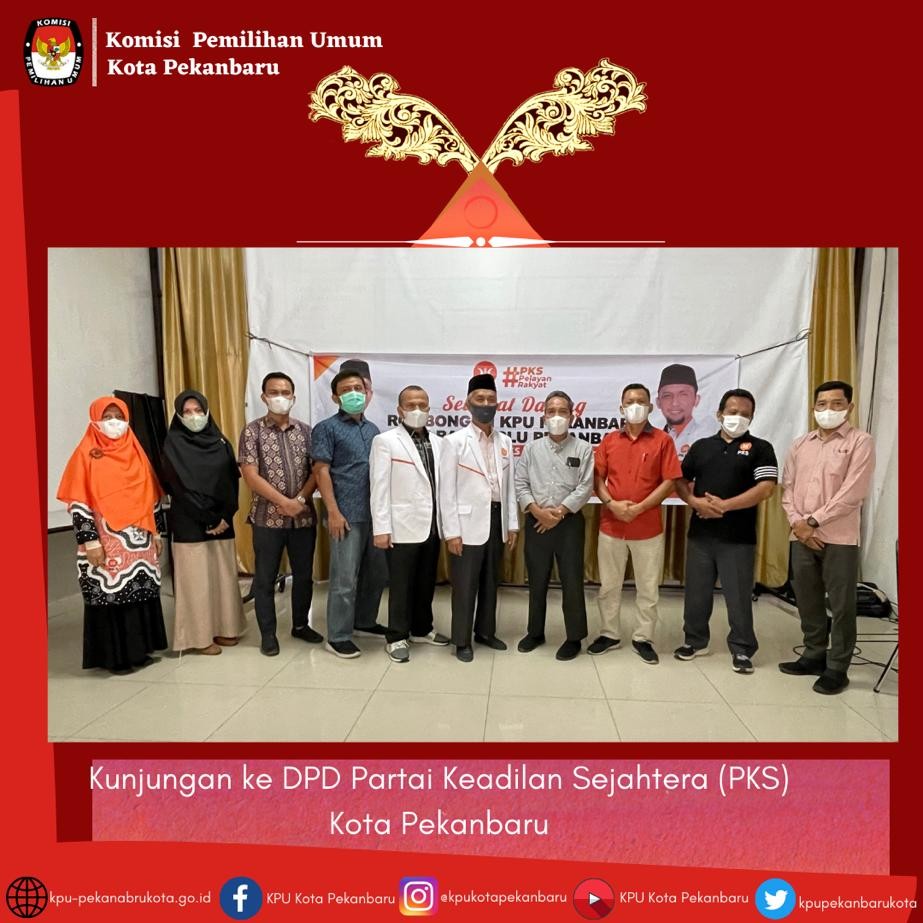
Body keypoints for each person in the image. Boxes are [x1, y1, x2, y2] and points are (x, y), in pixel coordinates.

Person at [56, 396, 168, 674]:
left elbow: (152, 497)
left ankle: (140, 652)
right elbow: (78, 503)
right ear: (95, 420)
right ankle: (116, 658)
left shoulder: (136, 452)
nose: (114, 422)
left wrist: (158, 533)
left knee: (140, 593)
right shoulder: (85, 454)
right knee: (112, 596)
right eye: (107, 417)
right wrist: (90, 541)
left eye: (119, 416)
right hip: (107, 542)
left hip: (140, 541)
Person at [779, 380, 875, 694]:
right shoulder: (800, 444)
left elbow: (853, 492)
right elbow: (788, 489)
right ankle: (813, 654)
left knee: (841, 603)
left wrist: (813, 522)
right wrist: (798, 524)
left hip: (839, 537)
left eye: (836, 404)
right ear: (813, 407)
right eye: (822, 404)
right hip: (801, 535)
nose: (828, 410)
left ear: (849, 407)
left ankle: (837, 667)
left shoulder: (860, 442)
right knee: (806, 598)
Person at [673, 389, 778, 673]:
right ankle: (695, 641)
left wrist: (725, 506)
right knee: (696, 593)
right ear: (719, 414)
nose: (738, 417)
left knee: (739, 596)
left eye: (745, 414)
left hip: (738, 537)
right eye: (732, 412)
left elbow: (766, 488)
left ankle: (742, 648)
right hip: (700, 535)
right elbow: (680, 480)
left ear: (752, 417)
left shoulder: (761, 448)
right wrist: (694, 501)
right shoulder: (701, 446)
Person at [590, 383, 682, 664]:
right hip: (611, 525)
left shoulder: (663, 441)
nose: (635, 406)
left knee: (648, 587)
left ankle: (643, 637)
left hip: (648, 527)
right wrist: (612, 504)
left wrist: (640, 508)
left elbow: (670, 481)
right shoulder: (609, 440)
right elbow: (597, 478)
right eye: (630, 402)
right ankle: (609, 633)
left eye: (641, 401)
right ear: (621, 408)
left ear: (651, 407)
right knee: (609, 586)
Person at [239, 372, 320, 657]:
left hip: (303, 517)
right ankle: (268, 634)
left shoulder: (307, 432)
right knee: (265, 578)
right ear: (264, 397)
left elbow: (317, 471)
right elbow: (250, 475)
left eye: (285, 392)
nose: (280, 397)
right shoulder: (252, 432)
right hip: (267, 519)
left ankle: (300, 625)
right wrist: (283, 502)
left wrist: (299, 500)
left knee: (304, 576)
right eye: (274, 392)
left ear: (293, 397)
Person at [439, 373, 519, 662]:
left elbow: (509, 488)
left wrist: (512, 524)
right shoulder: (454, 442)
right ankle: (462, 640)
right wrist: (451, 532)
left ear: (498, 404)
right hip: (466, 524)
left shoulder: (505, 441)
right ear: (467, 404)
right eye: (480, 399)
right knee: (464, 585)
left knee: (490, 581)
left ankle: (485, 632)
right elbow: (446, 491)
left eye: (490, 399)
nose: (486, 404)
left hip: (497, 520)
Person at [161, 389, 246, 656]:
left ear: (207, 412)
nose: (194, 416)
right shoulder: (172, 444)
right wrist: (209, 518)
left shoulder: (220, 442)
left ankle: (225, 628)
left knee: (222, 578)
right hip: (190, 521)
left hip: (222, 521)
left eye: (198, 411)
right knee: (196, 582)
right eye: (187, 412)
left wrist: (225, 516)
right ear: (178, 415)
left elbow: (232, 482)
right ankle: (198, 638)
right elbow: (178, 487)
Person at [370, 385, 450, 663]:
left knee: (426, 581)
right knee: (401, 585)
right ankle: (396, 637)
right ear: (400, 410)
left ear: (429, 408)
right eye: (411, 405)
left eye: (422, 405)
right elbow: (379, 487)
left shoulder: (439, 442)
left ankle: (421, 629)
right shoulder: (385, 441)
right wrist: (381, 528)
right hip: (401, 525)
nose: (417, 410)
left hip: (432, 525)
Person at [313, 368, 388, 658]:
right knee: (344, 579)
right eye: (346, 390)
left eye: (358, 388)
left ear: (367, 393)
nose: (354, 393)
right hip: (345, 514)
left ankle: (364, 621)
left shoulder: (373, 430)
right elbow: (321, 471)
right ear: (335, 397)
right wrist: (332, 511)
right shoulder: (326, 428)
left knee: (376, 574)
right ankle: (338, 635)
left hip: (375, 514)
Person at [514, 390, 594, 660]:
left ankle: (574, 637)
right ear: (543, 416)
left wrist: (558, 513)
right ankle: (535, 632)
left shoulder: (583, 448)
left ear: (572, 416)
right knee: (536, 581)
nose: (557, 416)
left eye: (562, 411)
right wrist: (538, 512)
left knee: (572, 582)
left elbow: (585, 487)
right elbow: (520, 483)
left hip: (569, 523)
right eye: (551, 411)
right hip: (536, 522)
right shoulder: (531, 448)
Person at [656, 363, 715, 460]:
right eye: (667, 396)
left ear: (696, 399)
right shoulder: (653, 439)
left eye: (683, 395)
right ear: (658, 402)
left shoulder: (706, 439)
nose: (675, 403)